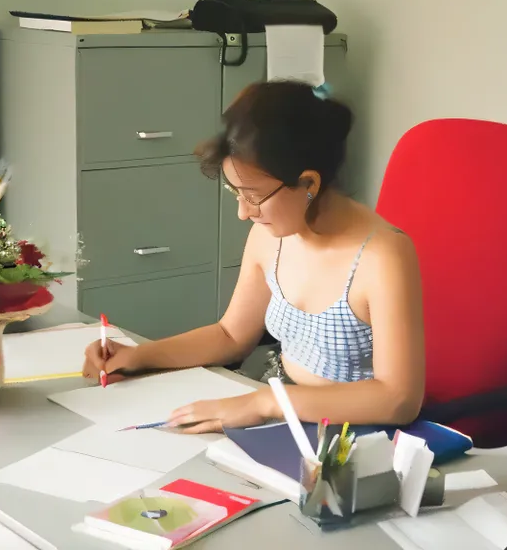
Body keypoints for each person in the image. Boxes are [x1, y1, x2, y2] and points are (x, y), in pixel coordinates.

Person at [83, 80, 425, 434]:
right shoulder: (270, 234)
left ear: (308, 184)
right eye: (235, 192)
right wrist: (139, 356)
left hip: (351, 434)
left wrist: (264, 403)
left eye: (253, 195)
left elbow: (398, 399)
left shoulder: (383, 256)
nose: (243, 213)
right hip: (279, 410)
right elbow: (231, 336)